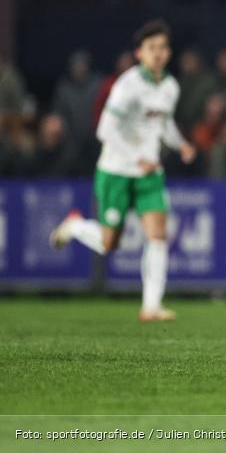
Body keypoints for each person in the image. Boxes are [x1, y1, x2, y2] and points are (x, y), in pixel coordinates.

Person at [49, 19, 196, 321]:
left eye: (163, 48)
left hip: (149, 175)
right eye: (151, 48)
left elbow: (164, 123)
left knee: (158, 234)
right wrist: (135, 157)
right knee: (109, 243)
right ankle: (75, 226)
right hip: (116, 170)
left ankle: (151, 306)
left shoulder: (169, 86)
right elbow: (105, 128)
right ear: (140, 53)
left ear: (168, 53)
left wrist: (181, 144)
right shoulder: (128, 85)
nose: (158, 53)